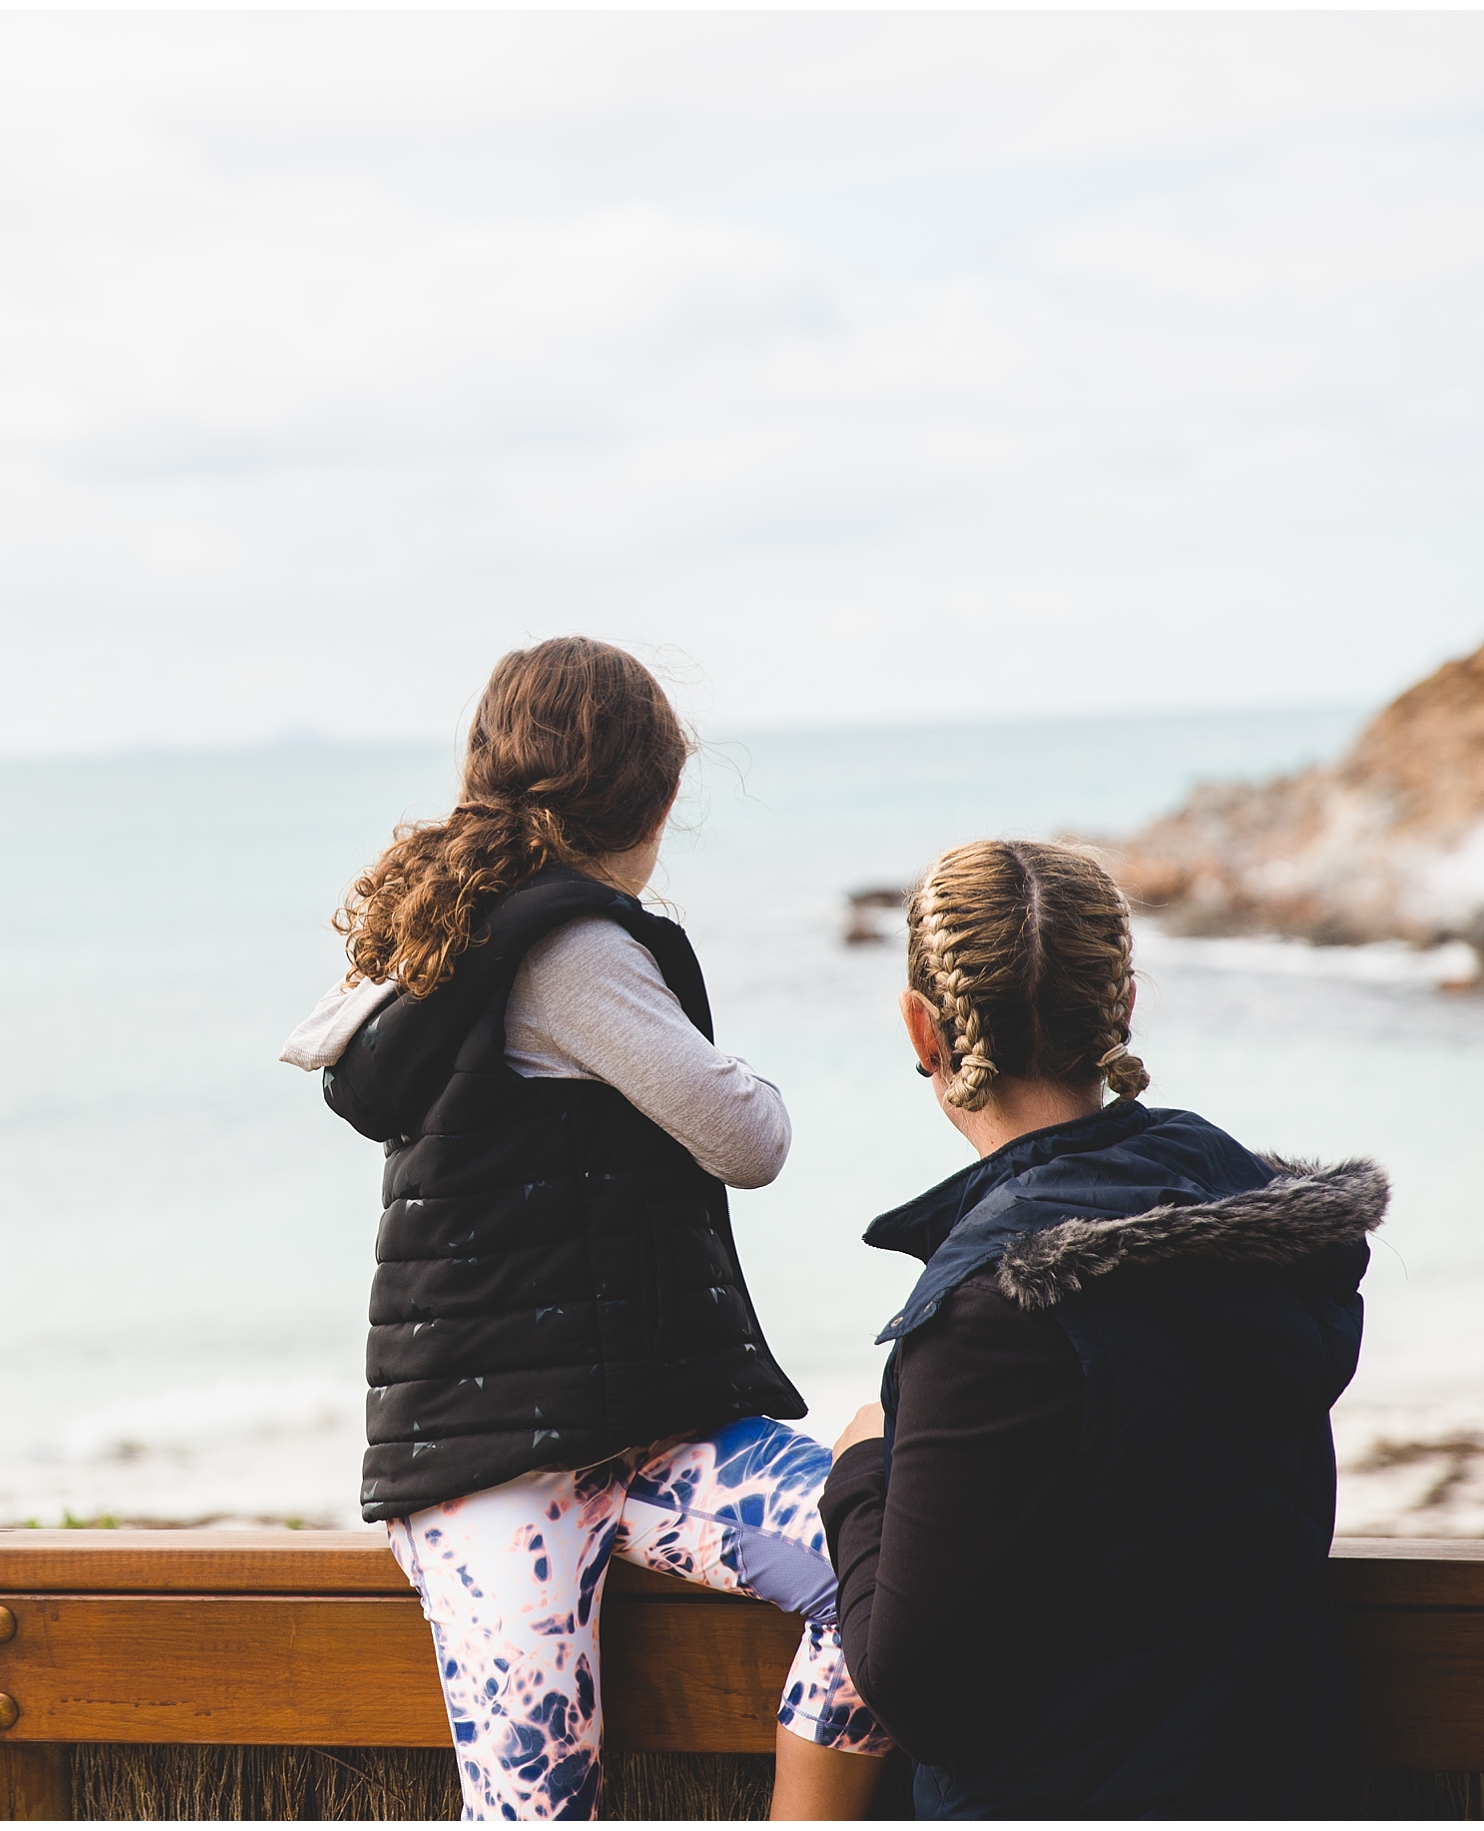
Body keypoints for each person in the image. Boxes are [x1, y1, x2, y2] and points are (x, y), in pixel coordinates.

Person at [280, 637, 890, 1821]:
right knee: (539, 1807)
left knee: (885, 1578)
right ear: (654, 800)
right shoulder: (574, 952)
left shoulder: (443, 940)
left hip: (625, 1436)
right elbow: (750, 1138)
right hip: (496, 1467)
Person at [819, 839, 1382, 1818]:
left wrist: (862, 1470)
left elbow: (921, 1695)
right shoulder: (1248, 1220)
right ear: (1119, 1007)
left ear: (923, 1028)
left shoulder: (997, 1312)